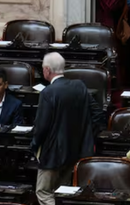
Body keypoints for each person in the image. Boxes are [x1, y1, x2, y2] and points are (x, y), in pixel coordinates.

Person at [31, 53, 105, 205]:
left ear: (46, 70)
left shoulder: (48, 92)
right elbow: (98, 114)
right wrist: (88, 136)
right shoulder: (79, 86)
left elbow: (42, 126)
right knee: (62, 191)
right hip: (76, 150)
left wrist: (34, 145)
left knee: (44, 191)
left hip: (52, 153)